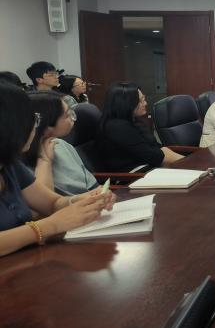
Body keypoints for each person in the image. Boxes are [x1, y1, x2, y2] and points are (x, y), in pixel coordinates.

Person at [0, 83, 114, 257]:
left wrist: (83, 200)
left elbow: (52, 203)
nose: (35, 128)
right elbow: (50, 220)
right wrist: (51, 225)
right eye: (32, 120)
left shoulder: (10, 166)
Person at [24, 91, 102, 196]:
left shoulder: (61, 144)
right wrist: (45, 161)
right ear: (47, 124)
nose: (73, 118)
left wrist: (100, 192)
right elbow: (49, 202)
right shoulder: (21, 165)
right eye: (67, 115)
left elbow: (91, 185)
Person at [97, 82, 184, 172]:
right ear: (126, 103)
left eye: (144, 99)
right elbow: (154, 155)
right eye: (141, 101)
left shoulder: (131, 121)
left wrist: (184, 160)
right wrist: (185, 162)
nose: (145, 103)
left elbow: (156, 147)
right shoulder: (116, 127)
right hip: (133, 176)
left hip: (147, 168)